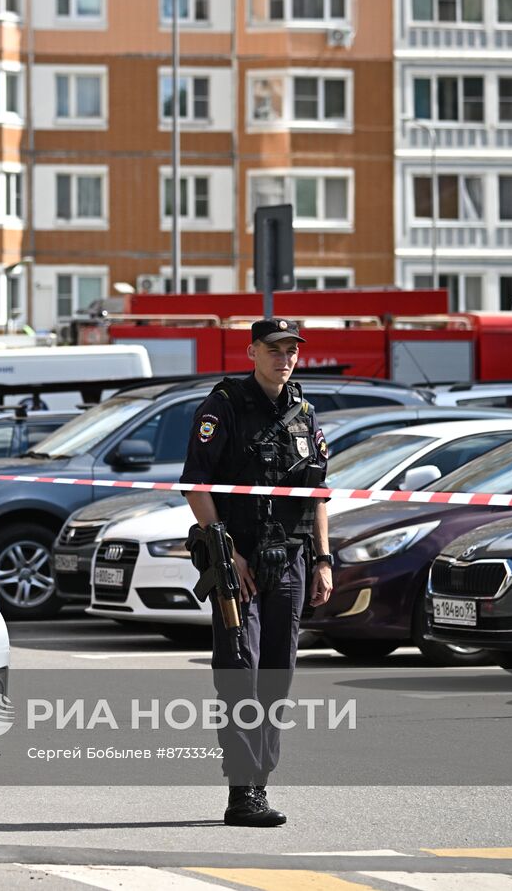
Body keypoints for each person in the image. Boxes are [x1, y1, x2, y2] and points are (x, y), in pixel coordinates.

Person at [180, 318, 333, 827]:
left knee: (277, 676)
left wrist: (323, 559)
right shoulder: (222, 406)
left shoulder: (304, 412)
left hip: (288, 561)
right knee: (240, 675)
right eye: (274, 348)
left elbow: (316, 495)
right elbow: (196, 486)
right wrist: (229, 552)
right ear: (251, 351)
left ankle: (260, 783)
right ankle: (242, 793)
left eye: (291, 349)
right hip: (237, 565)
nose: (284, 357)